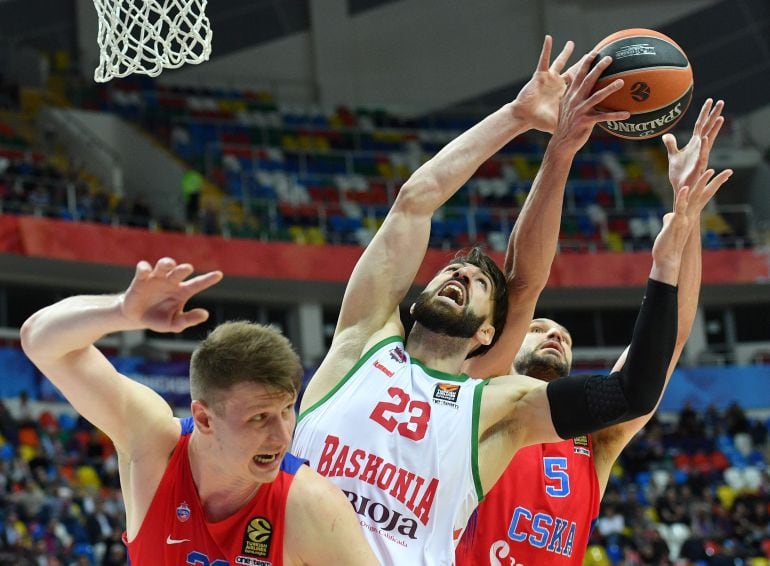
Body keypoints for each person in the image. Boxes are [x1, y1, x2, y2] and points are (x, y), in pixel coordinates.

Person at [290, 36, 715, 564]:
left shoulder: (494, 407)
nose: (461, 276)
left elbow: (639, 381)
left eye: (477, 283)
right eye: (453, 271)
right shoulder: (362, 344)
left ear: (488, 333)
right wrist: (516, 116)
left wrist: (675, 247)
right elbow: (413, 205)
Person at [455, 98, 731, 565]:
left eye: (562, 333)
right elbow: (521, 282)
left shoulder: (595, 439)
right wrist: (559, 149)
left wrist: (687, 214)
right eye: (538, 327)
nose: (554, 334)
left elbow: (668, 341)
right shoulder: (478, 397)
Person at [20, 259, 378, 565]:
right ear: (205, 418)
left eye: (286, 410)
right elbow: (41, 341)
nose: (283, 436)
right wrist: (119, 313)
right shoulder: (154, 444)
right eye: (259, 417)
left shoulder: (312, 505)